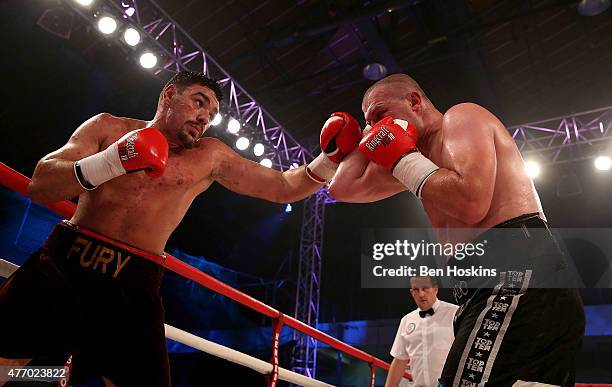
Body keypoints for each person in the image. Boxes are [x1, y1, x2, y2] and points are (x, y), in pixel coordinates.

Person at [0, 70, 362, 387]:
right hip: (65, 263)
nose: (205, 117)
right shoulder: (108, 128)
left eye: (212, 114)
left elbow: (284, 186)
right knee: (8, 367)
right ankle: (51, 373)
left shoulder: (211, 156)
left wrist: (329, 158)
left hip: (133, 286)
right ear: (168, 95)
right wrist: (112, 161)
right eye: (199, 102)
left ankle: (59, 372)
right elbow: (42, 183)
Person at [329, 74, 585, 386]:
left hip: (518, 270)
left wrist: (400, 157)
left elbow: (471, 203)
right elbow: (342, 188)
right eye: (369, 123)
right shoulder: (410, 161)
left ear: (413, 101)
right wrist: (358, 138)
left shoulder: (461, 118)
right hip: (488, 286)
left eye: (380, 115)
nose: (375, 128)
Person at [386, 276, 457, 387]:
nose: (421, 294)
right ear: (412, 293)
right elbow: (400, 360)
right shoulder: (406, 320)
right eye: (416, 289)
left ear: (435, 289)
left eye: (425, 288)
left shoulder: (455, 313)